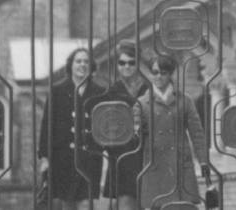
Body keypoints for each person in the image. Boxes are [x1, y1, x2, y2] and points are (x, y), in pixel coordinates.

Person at [136, 54, 210, 209]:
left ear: (170, 74)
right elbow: (135, 134)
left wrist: (203, 160)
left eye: (163, 73)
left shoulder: (184, 100)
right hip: (154, 165)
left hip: (179, 164)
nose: (158, 77)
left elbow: (197, 133)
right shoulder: (142, 103)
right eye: (154, 72)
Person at [38, 48, 106, 209]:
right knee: (67, 204)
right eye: (78, 61)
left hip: (90, 160)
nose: (82, 65)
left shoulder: (100, 92)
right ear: (71, 65)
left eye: (86, 61)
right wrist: (45, 157)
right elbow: (47, 124)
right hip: (63, 159)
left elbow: (104, 125)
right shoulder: (57, 91)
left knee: (85, 203)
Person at [102, 41, 148, 209]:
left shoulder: (148, 89)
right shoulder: (111, 92)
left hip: (145, 156)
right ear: (117, 65)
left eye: (131, 62)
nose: (126, 66)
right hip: (120, 156)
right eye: (122, 62)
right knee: (125, 203)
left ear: (138, 63)